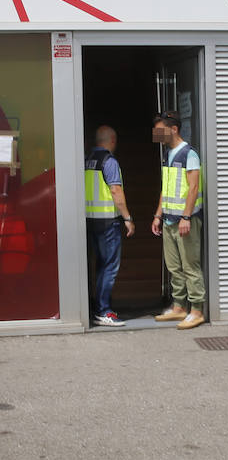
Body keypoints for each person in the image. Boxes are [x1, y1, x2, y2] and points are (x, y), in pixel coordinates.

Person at [150, 111, 206, 330]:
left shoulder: (189, 154)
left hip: (185, 220)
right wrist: (158, 215)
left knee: (191, 266)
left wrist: (186, 216)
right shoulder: (168, 153)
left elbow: (193, 187)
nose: (157, 135)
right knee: (174, 267)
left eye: (160, 130)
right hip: (169, 220)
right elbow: (167, 189)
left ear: (173, 129)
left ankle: (197, 311)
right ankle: (179, 307)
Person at [85, 125, 135, 327]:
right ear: (112, 140)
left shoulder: (87, 160)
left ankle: (99, 307)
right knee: (110, 266)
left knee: (100, 266)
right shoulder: (109, 161)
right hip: (107, 222)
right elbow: (115, 191)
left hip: (90, 221)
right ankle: (104, 310)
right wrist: (127, 218)